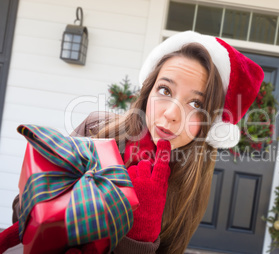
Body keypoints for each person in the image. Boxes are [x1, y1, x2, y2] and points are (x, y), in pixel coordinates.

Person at [0, 31, 264, 254]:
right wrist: (68, 202)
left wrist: (139, 237)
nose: (171, 113)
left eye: (196, 103)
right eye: (165, 90)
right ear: (148, 91)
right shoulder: (98, 128)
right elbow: (19, 213)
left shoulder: (191, 182)